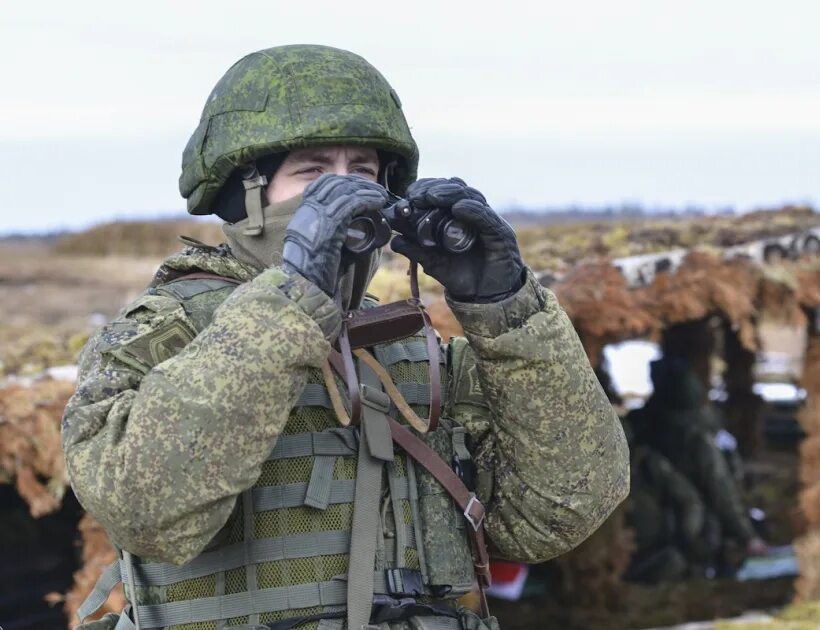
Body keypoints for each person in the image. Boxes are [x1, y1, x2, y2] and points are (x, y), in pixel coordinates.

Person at [62, 45, 630, 630]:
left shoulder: (414, 351)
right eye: (312, 170)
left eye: (362, 170)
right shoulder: (164, 334)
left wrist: (507, 308)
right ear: (245, 196)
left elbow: (563, 508)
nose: (344, 193)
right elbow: (147, 512)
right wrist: (290, 303)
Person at [629, 357, 766, 571]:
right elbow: (721, 491)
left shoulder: (643, 423)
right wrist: (748, 538)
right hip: (684, 529)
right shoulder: (698, 437)